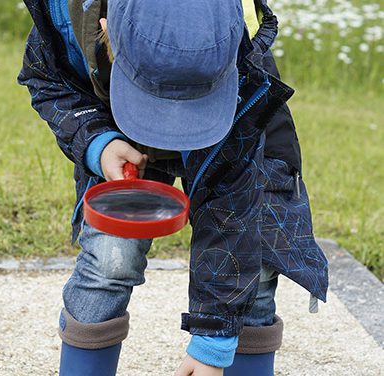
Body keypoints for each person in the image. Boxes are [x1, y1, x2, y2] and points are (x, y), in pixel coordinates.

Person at [18, 0, 329, 375]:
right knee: (110, 257)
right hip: (121, 134)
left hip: (227, 114)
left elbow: (232, 214)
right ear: (106, 28)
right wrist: (98, 143)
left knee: (257, 262)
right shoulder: (64, 15)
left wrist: (212, 344)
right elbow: (48, 80)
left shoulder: (236, 61)